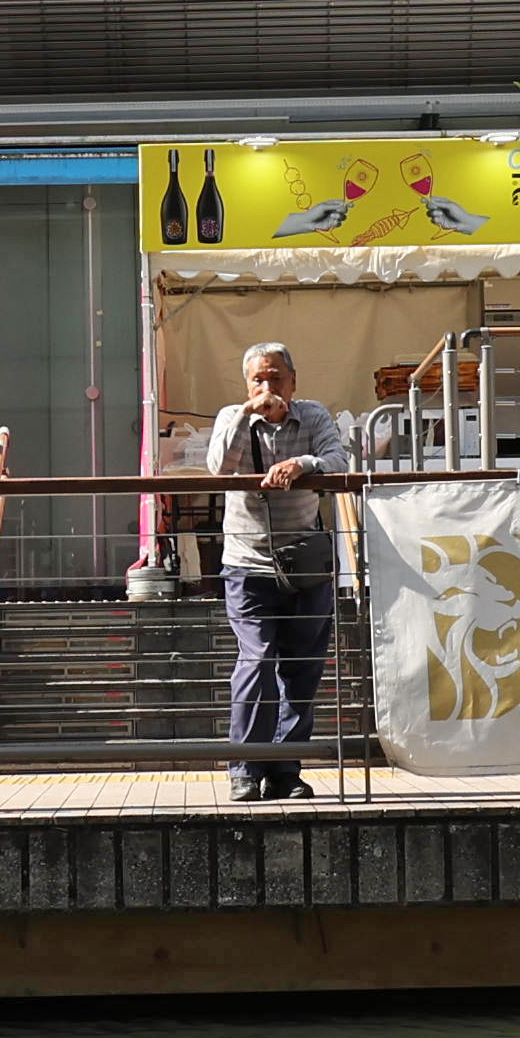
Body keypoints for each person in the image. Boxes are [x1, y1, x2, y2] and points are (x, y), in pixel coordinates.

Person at [200, 340, 356, 798]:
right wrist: (248, 413)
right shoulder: (232, 417)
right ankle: (246, 768)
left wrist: (300, 464)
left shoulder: (312, 415)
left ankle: (286, 771)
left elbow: (338, 460)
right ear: (246, 384)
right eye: (258, 379)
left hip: (304, 564)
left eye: (276, 378)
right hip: (248, 564)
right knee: (257, 659)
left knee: (302, 669)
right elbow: (218, 468)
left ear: (293, 381)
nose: (267, 387)